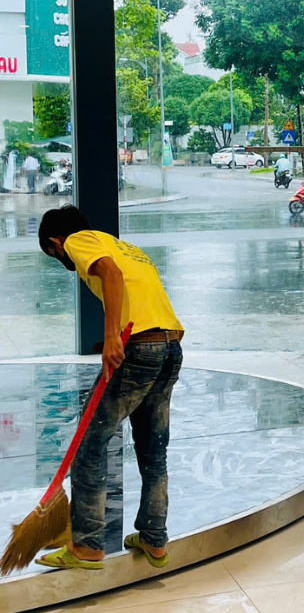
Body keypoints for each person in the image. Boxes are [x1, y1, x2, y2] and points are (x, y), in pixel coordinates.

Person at [35, 205, 184, 570]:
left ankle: (86, 545)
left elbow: (111, 274)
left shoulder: (79, 241)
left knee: (89, 444)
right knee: (153, 449)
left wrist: (112, 336)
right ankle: (154, 538)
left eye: (54, 253)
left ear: (56, 241)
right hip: (169, 346)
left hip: (140, 348)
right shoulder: (123, 246)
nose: (62, 260)